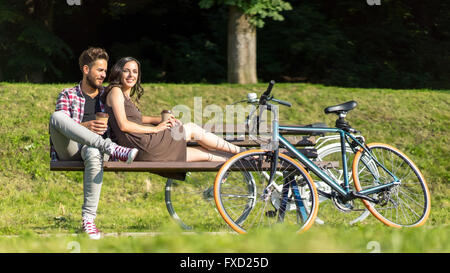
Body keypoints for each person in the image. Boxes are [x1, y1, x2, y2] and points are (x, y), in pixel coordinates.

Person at [100, 57, 245, 178]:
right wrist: (156, 129)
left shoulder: (123, 95)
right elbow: (124, 125)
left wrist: (157, 119)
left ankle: (240, 162)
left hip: (144, 152)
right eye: (126, 71)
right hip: (142, 146)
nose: (131, 75)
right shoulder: (115, 91)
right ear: (119, 72)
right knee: (192, 129)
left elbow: (135, 119)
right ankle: (241, 152)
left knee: (206, 154)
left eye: (135, 72)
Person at [49, 48, 138, 240]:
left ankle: (88, 220)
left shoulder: (109, 94)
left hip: (96, 150)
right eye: (100, 70)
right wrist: (85, 126)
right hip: (71, 148)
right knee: (57, 116)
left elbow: (131, 115)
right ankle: (111, 148)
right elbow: (62, 125)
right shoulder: (67, 94)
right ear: (86, 69)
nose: (104, 75)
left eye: (105, 71)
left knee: (92, 151)